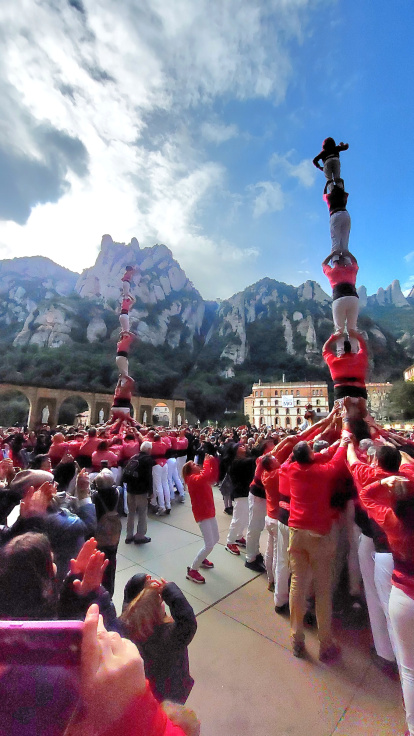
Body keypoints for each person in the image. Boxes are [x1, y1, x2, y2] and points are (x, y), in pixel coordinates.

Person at [358, 475, 414, 736]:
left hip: (403, 595)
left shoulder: (391, 520)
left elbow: (366, 495)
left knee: (409, 669)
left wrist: (383, 482)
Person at [287, 435, 349, 660]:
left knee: (297, 586)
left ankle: (297, 639)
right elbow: (337, 460)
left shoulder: (291, 469)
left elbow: (320, 456)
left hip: (296, 534)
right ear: (311, 456)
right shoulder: (322, 472)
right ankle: (325, 643)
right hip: (318, 536)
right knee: (323, 590)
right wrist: (344, 441)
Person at [120, 573, 197, 704]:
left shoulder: (126, 624)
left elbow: (131, 602)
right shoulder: (169, 637)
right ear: (157, 609)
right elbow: (187, 621)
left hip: (141, 692)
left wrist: (138, 582)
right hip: (169, 693)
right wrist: (169, 590)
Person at [182, 454, 219, 584]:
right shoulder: (191, 479)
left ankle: (202, 558)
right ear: (189, 470)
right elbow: (205, 476)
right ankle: (193, 570)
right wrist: (208, 462)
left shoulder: (197, 478)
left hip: (208, 512)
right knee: (209, 544)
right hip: (202, 514)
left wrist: (212, 462)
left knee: (216, 539)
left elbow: (211, 476)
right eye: (194, 465)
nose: (197, 465)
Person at [322, 329, 369, 419]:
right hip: (359, 391)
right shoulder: (360, 359)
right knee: (361, 418)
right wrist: (357, 336)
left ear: (340, 351)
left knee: (341, 418)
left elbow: (325, 350)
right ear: (352, 349)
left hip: (341, 391)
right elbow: (363, 348)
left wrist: (333, 337)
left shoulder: (334, 362)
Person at [92, 469, 122, 598]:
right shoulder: (117, 492)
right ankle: (110, 591)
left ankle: (99, 591)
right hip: (114, 533)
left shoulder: (95, 496)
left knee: (99, 564)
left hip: (100, 534)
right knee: (111, 562)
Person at [322, 252, 359, 353]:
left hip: (338, 299)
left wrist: (332, 253)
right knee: (352, 327)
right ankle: (354, 351)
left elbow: (323, 264)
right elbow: (355, 262)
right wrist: (348, 253)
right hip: (353, 298)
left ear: (334, 263)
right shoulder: (351, 270)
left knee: (339, 329)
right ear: (345, 262)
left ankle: (341, 352)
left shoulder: (332, 272)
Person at [123, 440, 155, 544]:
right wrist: (150, 491)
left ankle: (129, 535)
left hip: (130, 489)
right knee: (142, 512)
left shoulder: (133, 457)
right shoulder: (147, 459)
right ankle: (140, 535)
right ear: (149, 449)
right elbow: (148, 477)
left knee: (131, 513)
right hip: (141, 490)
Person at [323, 183, 351, 254]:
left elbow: (324, 195)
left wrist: (326, 185)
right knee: (345, 240)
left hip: (335, 215)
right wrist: (342, 184)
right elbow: (345, 193)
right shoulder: (343, 196)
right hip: (345, 214)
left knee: (335, 240)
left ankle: (335, 260)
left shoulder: (329, 197)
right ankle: (346, 260)